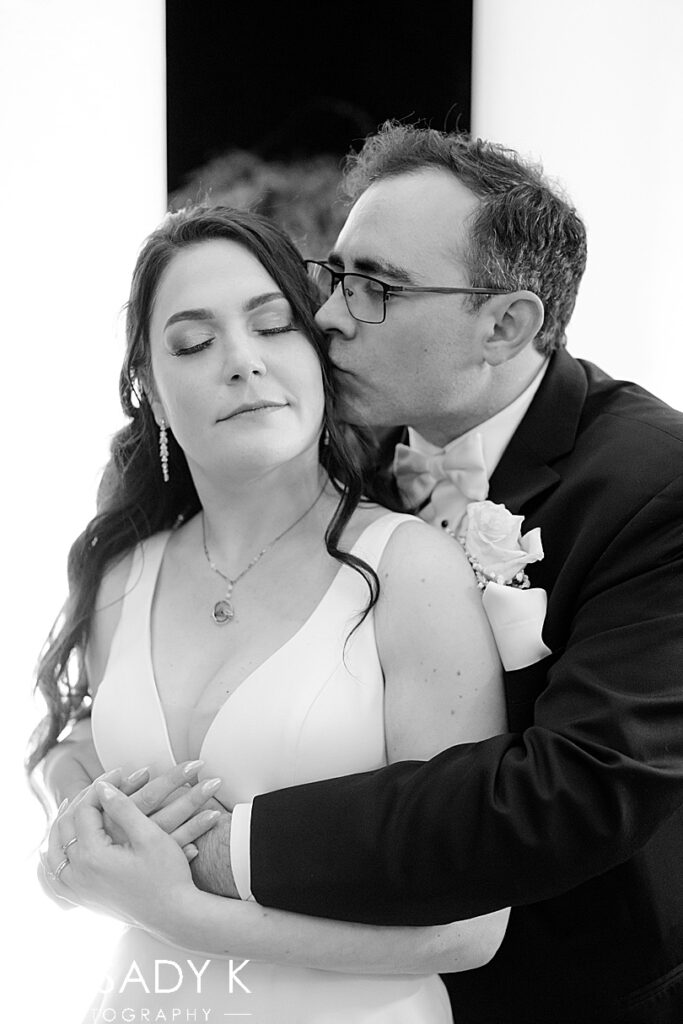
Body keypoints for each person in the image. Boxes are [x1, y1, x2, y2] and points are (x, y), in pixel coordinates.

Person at [34, 203, 511, 1022]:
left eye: (273, 326)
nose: (242, 363)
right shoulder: (122, 574)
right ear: (149, 388)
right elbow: (79, 750)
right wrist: (67, 826)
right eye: (192, 343)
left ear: (317, 353)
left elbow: (471, 926)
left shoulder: (408, 572)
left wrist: (188, 918)